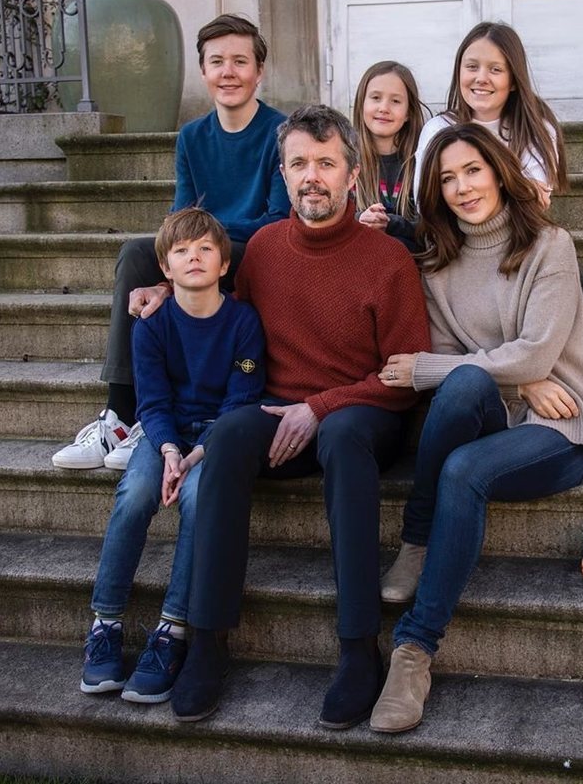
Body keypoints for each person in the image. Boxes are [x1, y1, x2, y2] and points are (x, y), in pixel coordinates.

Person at [169, 105, 432, 725]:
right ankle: (207, 640)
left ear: (352, 173)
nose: (311, 176)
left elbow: (405, 375)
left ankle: (357, 647)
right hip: (279, 417)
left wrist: (319, 407)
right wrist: (168, 292)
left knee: (340, 434)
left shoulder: (386, 259)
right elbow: (226, 330)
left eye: (325, 163)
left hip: (364, 414)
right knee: (231, 434)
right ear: (283, 174)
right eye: (298, 165)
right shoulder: (261, 249)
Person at [369, 123, 583, 733]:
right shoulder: (438, 264)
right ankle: (418, 543)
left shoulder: (550, 246)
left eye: (472, 170)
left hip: (562, 425)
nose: (462, 187)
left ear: (499, 171)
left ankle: (415, 650)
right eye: (447, 178)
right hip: (502, 406)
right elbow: (482, 368)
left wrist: (425, 368)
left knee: (463, 466)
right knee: (465, 384)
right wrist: (518, 378)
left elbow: (533, 352)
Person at [51, 14, 290, 471]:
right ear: (203, 72)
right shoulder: (192, 136)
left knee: (193, 248)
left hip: (256, 253)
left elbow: (274, 221)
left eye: (240, 61)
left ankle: (130, 417)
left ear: (259, 71)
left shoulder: (278, 132)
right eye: (216, 62)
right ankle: (120, 417)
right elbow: (177, 222)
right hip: (209, 249)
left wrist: (200, 245)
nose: (228, 72)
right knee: (139, 252)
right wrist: (173, 269)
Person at [79, 207, 265, 704]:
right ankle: (106, 621)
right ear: (165, 268)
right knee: (136, 492)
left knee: (201, 501)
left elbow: (241, 400)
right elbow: (153, 402)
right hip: (164, 434)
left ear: (225, 264)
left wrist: (196, 456)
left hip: (216, 439)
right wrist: (166, 452)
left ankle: (171, 630)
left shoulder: (243, 321)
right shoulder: (152, 325)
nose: (195, 258)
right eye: (182, 251)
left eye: (206, 249)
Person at [412, 21, 568, 210]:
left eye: (495, 69)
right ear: (458, 72)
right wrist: (513, 188)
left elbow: (533, 205)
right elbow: (426, 204)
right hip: (450, 237)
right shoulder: (438, 129)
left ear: (513, 80)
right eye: (472, 66)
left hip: (518, 237)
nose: (481, 78)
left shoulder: (536, 129)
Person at [352, 60, 428, 254]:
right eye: (376, 98)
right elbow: (332, 219)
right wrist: (361, 218)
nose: (384, 108)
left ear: (409, 112)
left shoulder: (421, 161)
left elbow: (431, 229)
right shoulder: (346, 160)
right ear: (361, 105)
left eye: (395, 101)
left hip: (412, 267)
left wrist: (391, 223)